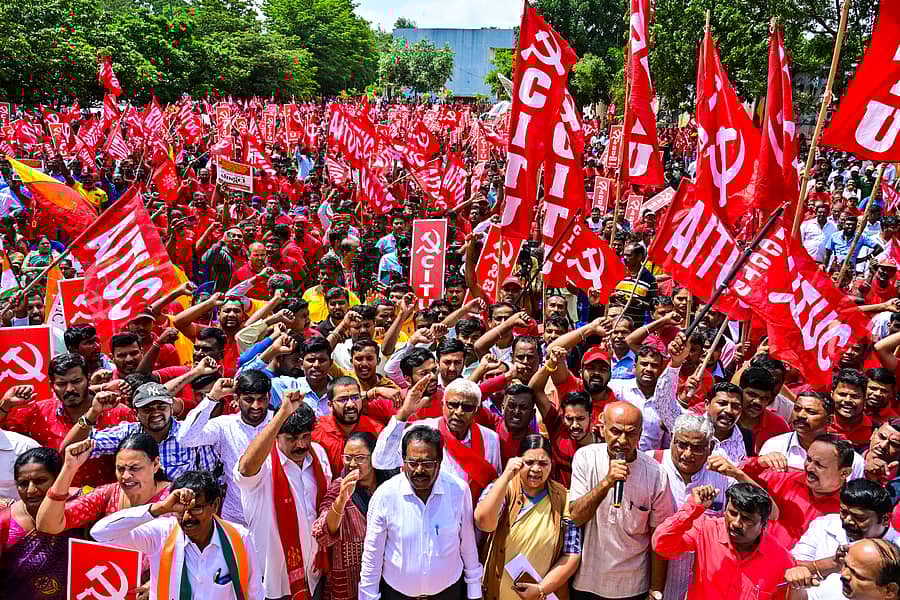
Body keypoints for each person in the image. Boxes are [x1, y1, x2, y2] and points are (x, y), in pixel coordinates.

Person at [90, 470, 264, 600]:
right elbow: (101, 533)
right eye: (181, 509)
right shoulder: (161, 534)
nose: (187, 517)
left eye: (196, 508)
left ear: (215, 505)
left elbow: (254, 591)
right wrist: (161, 508)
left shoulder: (239, 538)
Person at [358, 424, 483, 600]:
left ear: (439, 460)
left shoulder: (458, 490)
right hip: (396, 594)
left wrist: (474, 592)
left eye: (427, 463)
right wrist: (368, 597)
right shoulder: (385, 495)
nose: (419, 470)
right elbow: (373, 553)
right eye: (413, 462)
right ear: (403, 460)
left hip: (448, 594)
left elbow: (468, 545)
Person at [568, 401, 674, 600]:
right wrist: (607, 482)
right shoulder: (585, 458)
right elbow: (575, 516)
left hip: (633, 586)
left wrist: (656, 588)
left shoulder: (656, 473)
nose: (622, 440)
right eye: (615, 431)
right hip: (587, 581)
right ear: (603, 428)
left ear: (641, 434)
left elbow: (659, 536)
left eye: (631, 433)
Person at [235, 389, 332, 600]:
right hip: (273, 581)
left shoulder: (318, 455)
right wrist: (282, 414)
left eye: (306, 436)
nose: (301, 445)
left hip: (315, 572)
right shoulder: (264, 465)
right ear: (277, 436)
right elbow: (244, 469)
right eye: (292, 438)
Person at [0, 354, 135, 486]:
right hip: (58, 502)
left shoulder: (119, 412)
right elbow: (3, 434)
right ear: (51, 385)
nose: (70, 389)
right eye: (62, 384)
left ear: (88, 379)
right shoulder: (38, 413)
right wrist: (6, 404)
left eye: (76, 381)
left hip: (112, 501)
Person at [475, 434, 582, 600]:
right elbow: (484, 523)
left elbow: (572, 553)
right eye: (529, 462)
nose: (536, 469)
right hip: (497, 591)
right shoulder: (503, 489)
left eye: (543, 463)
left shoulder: (563, 497)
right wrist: (506, 476)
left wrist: (541, 589)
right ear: (518, 462)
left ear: (551, 465)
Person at [652, 483, 794, 600]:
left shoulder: (782, 560)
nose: (736, 523)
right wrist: (692, 508)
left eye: (746, 518)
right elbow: (661, 545)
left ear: (764, 524)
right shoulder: (706, 530)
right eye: (732, 513)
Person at [372, 376, 501, 500]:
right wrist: (404, 413)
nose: (459, 412)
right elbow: (381, 461)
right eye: (453, 405)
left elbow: (493, 486)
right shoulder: (420, 431)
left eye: (467, 407)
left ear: (477, 411)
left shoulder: (490, 439)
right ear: (442, 405)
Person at [651, 413, 735, 600]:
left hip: (702, 586)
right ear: (671, 439)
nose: (687, 454)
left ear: (711, 447)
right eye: (682, 444)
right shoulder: (652, 464)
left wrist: (740, 474)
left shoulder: (724, 478)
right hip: (652, 581)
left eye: (697, 448)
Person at [176, 371, 274, 524]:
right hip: (236, 516)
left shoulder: (279, 421)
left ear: (269, 397)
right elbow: (185, 438)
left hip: (273, 514)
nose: (256, 406)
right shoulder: (224, 425)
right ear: (236, 398)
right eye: (249, 399)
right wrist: (213, 397)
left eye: (262, 399)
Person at [35, 434, 170, 536]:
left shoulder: (173, 497)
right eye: (121, 469)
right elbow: (47, 525)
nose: (126, 476)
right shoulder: (108, 494)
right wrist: (69, 468)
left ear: (156, 465)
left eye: (135, 468)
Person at [311, 432, 393, 600]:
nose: (352, 464)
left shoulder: (390, 484)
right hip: (351, 583)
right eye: (347, 457)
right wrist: (341, 500)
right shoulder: (338, 488)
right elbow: (322, 534)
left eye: (360, 458)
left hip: (389, 578)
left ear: (374, 457)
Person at [787, 479, 899, 599]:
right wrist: (831, 564)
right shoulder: (824, 525)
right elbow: (792, 568)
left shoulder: (897, 549)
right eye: (844, 512)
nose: (848, 520)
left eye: (859, 517)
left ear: (886, 519)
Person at [0, 448, 79, 600]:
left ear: (59, 479)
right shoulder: (6, 524)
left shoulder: (85, 504)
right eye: (23, 484)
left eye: (40, 481)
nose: (31, 491)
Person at [312, 376, 384, 478]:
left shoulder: (377, 430)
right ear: (330, 405)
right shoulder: (315, 433)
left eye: (355, 398)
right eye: (343, 400)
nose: (351, 404)